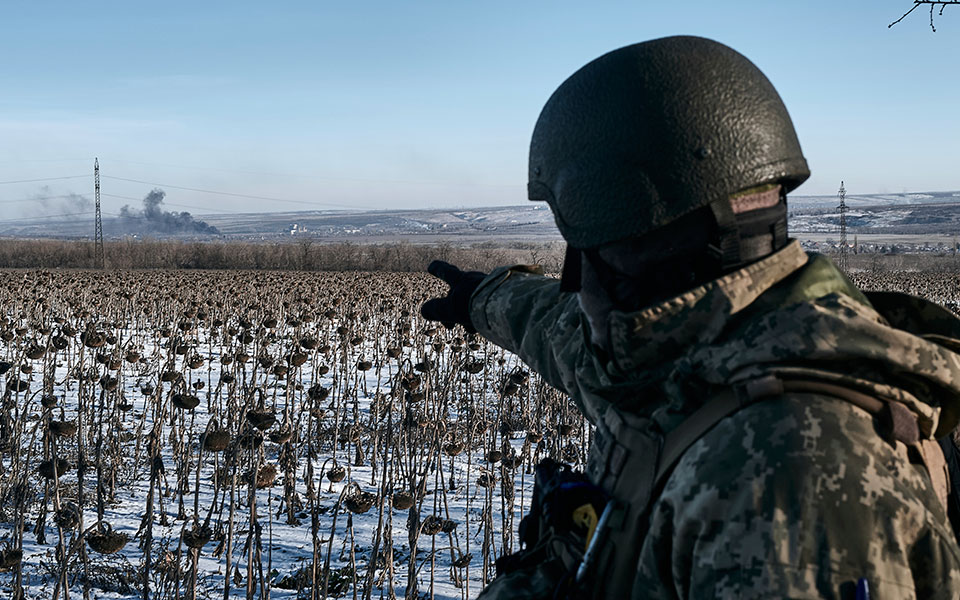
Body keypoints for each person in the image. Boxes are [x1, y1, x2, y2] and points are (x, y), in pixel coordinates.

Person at [421, 35, 960, 598]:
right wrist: (480, 298)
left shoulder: (788, 479)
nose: (575, 284)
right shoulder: (688, 357)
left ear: (631, 242)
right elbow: (561, 335)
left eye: (585, 248)